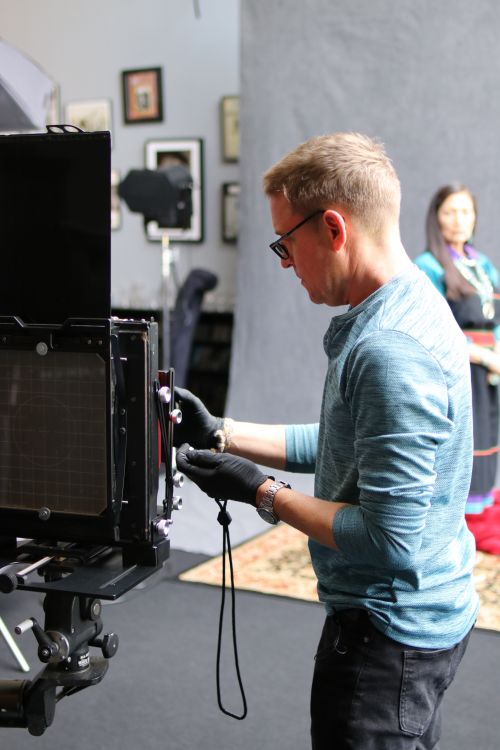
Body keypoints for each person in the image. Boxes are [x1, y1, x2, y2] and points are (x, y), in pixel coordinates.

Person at [175, 133, 479, 750]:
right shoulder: (413, 299)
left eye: (286, 244)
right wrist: (225, 433)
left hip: (387, 639)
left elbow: (389, 539)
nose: (285, 263)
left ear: (333, 229)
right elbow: (353, 444)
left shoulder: (389, 349)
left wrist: (262, 494)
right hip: (421, 620)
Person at [415, 184, 500, 555]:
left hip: (490, 369)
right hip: (458, 367)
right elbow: (435, 327)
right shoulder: (428, 265)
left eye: (465, 212)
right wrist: (482, 356)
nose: (458, 220)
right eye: (450, 212)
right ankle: (460, 520)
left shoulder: (481, 264)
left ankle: (482, 513)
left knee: (488, 438)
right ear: (436, 217)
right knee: (464, 440)